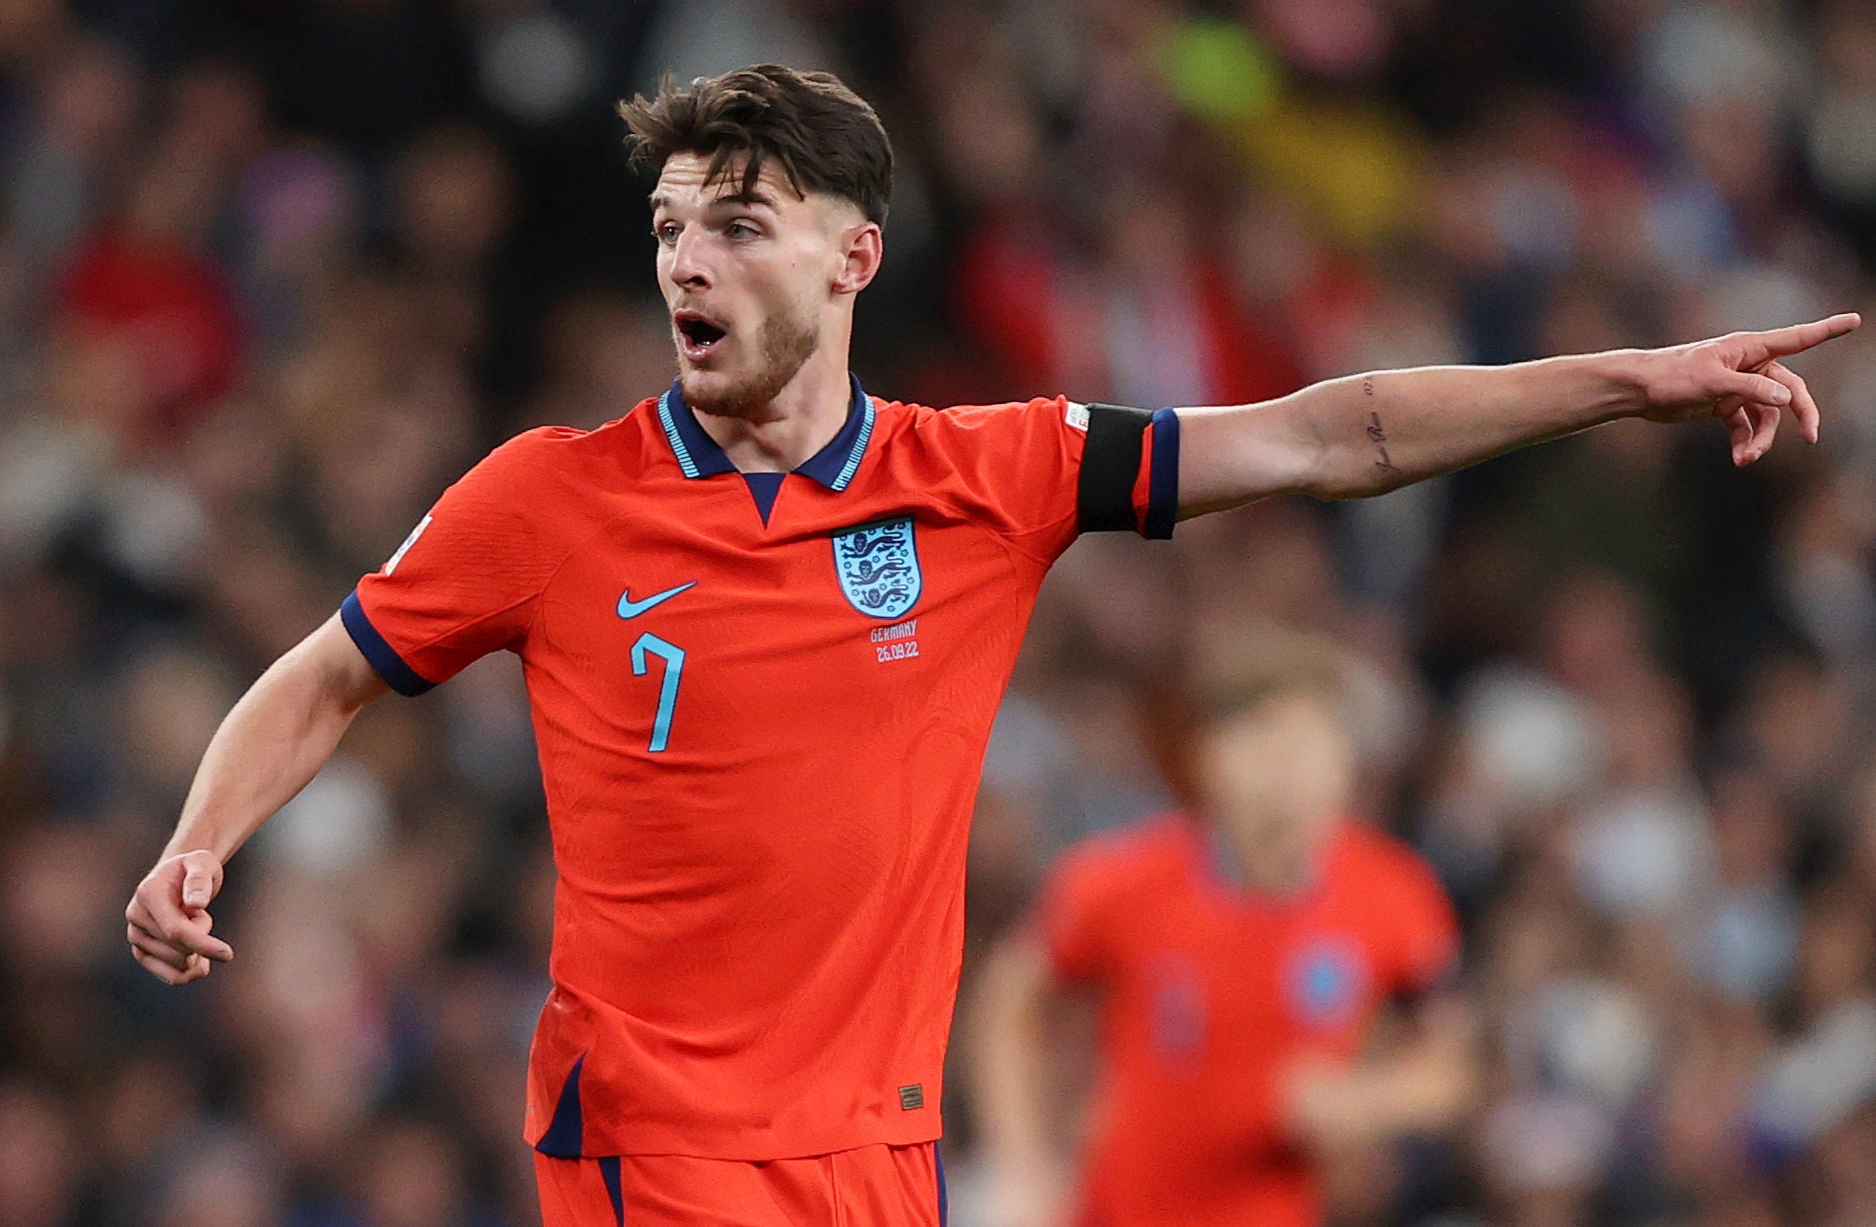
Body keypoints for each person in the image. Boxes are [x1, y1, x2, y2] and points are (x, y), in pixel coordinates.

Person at [123, 63, 1856, 1227]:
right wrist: (201, 840)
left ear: (853, 255)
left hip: (882, 1152)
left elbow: (1347, 434)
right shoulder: (549, 500)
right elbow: (331, 665)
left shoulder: (991, 475)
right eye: (668, 228)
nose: (687, 261)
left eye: (736, 221)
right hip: (656, 1141)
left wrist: (1635, 376)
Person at [970, 633, 1474, 1227]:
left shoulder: (1395, 893)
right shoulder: (1118, 883)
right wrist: (1021, 1163)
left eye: (1315, 738)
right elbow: (1010, 996)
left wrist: (1368, 1102)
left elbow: (1451, 1065)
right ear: (1208, 757)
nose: (1291, 766)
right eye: (1265, 736)